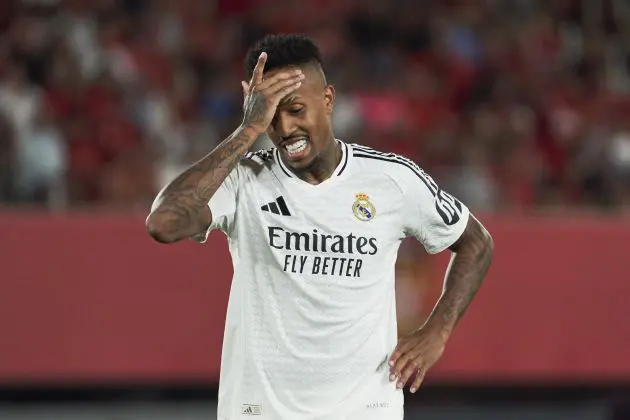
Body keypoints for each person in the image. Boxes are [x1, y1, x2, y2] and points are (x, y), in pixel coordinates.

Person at [146, 34, 494, 420]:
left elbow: (475, 243)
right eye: (271, 116)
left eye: (295, 109)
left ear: (327, 100)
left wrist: (437, 332)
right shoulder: (242, 180)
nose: (284, 128)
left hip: (364, 410)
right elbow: (164, 222)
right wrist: (247, 130)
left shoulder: (391, 180)